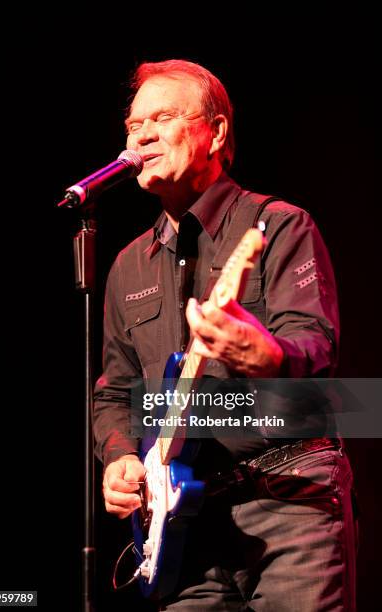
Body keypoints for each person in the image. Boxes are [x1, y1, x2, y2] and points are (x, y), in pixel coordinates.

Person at [93, 59, 357, 611]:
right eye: (133, 127)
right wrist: (119, 455)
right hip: (185, 526)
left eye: (162, 118)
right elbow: (116, 392)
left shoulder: (278, 224)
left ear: (214, 132)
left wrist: (264, 354)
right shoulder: (125, 267)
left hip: (288, 495)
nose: (141, 136)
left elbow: (316, 350)